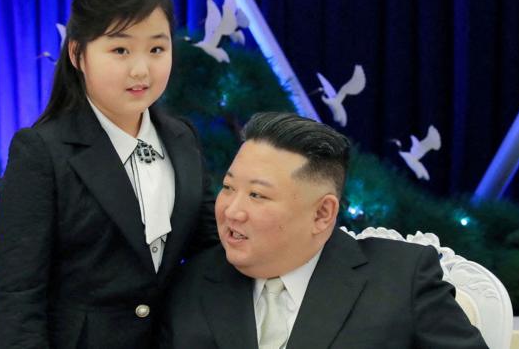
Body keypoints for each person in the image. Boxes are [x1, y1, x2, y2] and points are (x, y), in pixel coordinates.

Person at [0, 0, 217, 348]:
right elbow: (19, 298)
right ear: (78, 54)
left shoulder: (182, 138)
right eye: (120, 50)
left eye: (157, 48)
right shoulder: (41, 151)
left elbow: (208, 248)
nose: (142, 70)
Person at [161, 112, 488, 349]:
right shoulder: (192, 283)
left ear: (322, 213)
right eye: (229, 187)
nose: (232, 211)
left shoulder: (401, 277)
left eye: (257, 195)